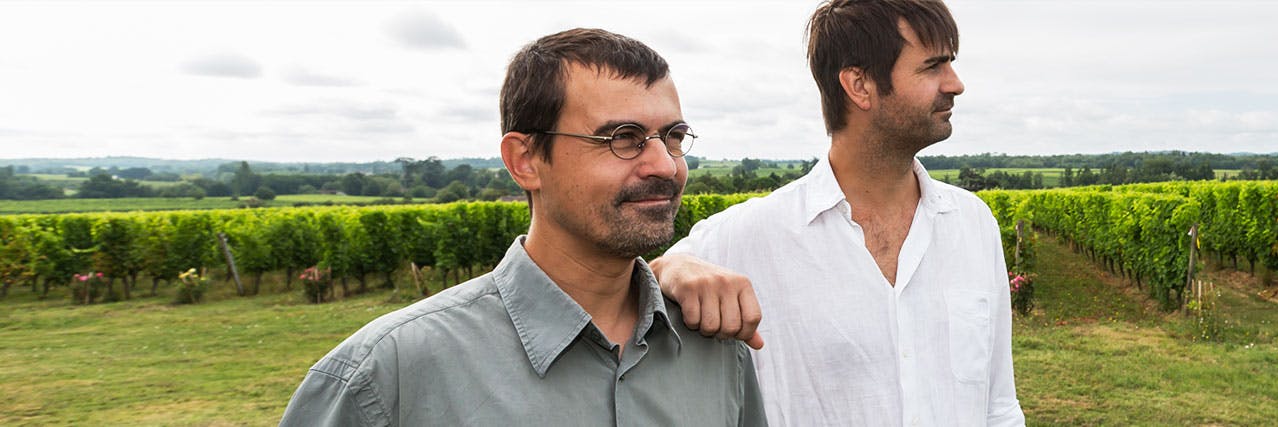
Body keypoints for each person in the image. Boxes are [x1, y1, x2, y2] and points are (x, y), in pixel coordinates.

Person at [280, 28, 765, 426]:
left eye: (674, 136)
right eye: (624, 138)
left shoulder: (718, 352)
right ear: (526, 160)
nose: (665, 164)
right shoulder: (389, 375)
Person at [651, 0, 1024, 425]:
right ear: (859, 85)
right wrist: (672, 267)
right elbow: (642, 285)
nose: (955, 84)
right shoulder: (749, 236)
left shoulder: (974, 224)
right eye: (932, 67)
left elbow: (998, 404)